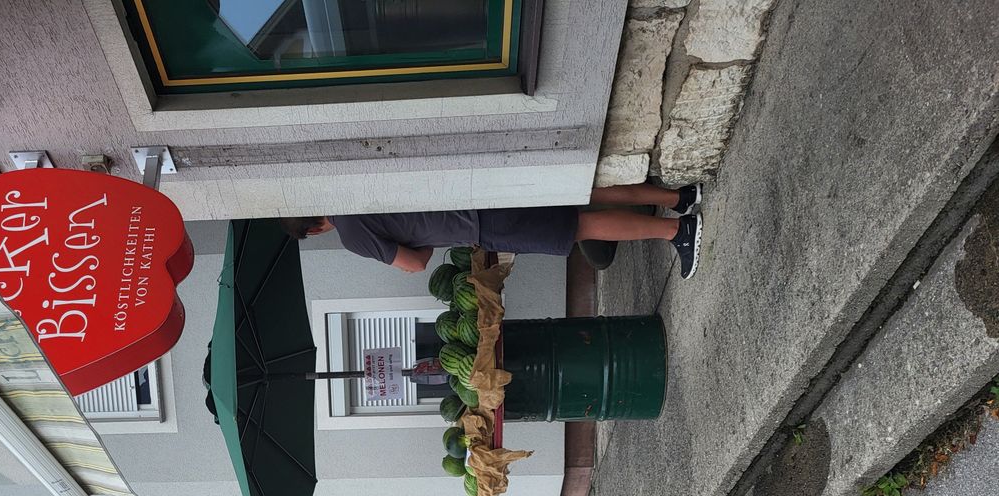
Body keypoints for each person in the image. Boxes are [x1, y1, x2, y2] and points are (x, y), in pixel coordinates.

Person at [280, 182, 704, 279]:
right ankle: (677, 198)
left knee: (579, 225)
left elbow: (415, 262)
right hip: (480, 183)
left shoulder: (351, 233)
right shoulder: (355, 183)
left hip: (480, 221)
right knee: (581, 187)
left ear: (314, 228)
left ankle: (677, 232)